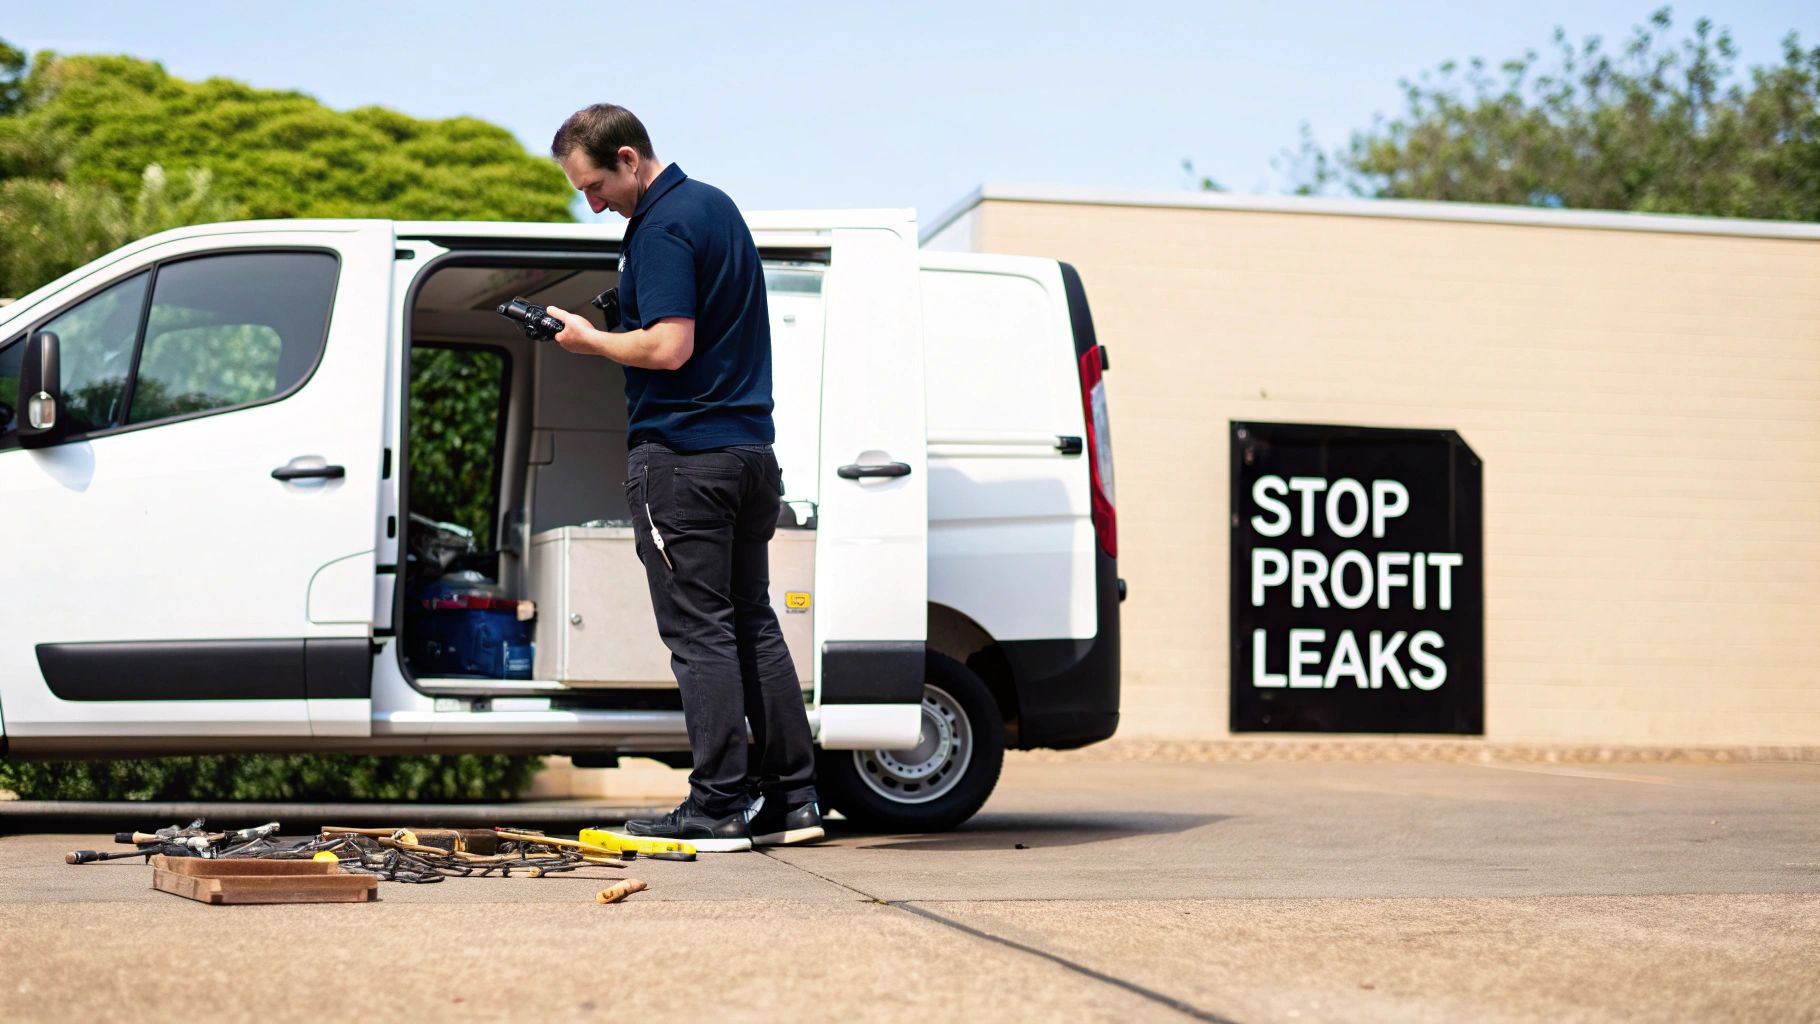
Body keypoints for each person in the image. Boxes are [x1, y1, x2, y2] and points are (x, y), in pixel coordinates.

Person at [545, 104, 822, 851]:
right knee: (751, 624)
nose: (593, 203)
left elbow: (668, 349)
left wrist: (590, 339)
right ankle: (796, 801)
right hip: (748, 457)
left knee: (701, 635)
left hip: (686, 461)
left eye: (597, 185)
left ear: (630, 158)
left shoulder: (662, 226)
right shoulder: (716, 207)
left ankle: (717, 807)